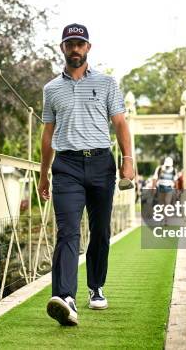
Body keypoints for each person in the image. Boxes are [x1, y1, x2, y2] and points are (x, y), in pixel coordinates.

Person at [37, 23, 134, 326]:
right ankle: (65, 297)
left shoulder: (107, 83)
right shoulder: (51, 89)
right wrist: (43, 174)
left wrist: (128, 159)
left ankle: (95, 287)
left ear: (88, 48)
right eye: (70, 44)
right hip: (66, 167)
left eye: (80, 44)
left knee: (101, 231)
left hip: (101, 165)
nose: (75, 49)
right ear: (62, 48)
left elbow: (119, 123)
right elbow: (47, 133)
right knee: (68, 231)